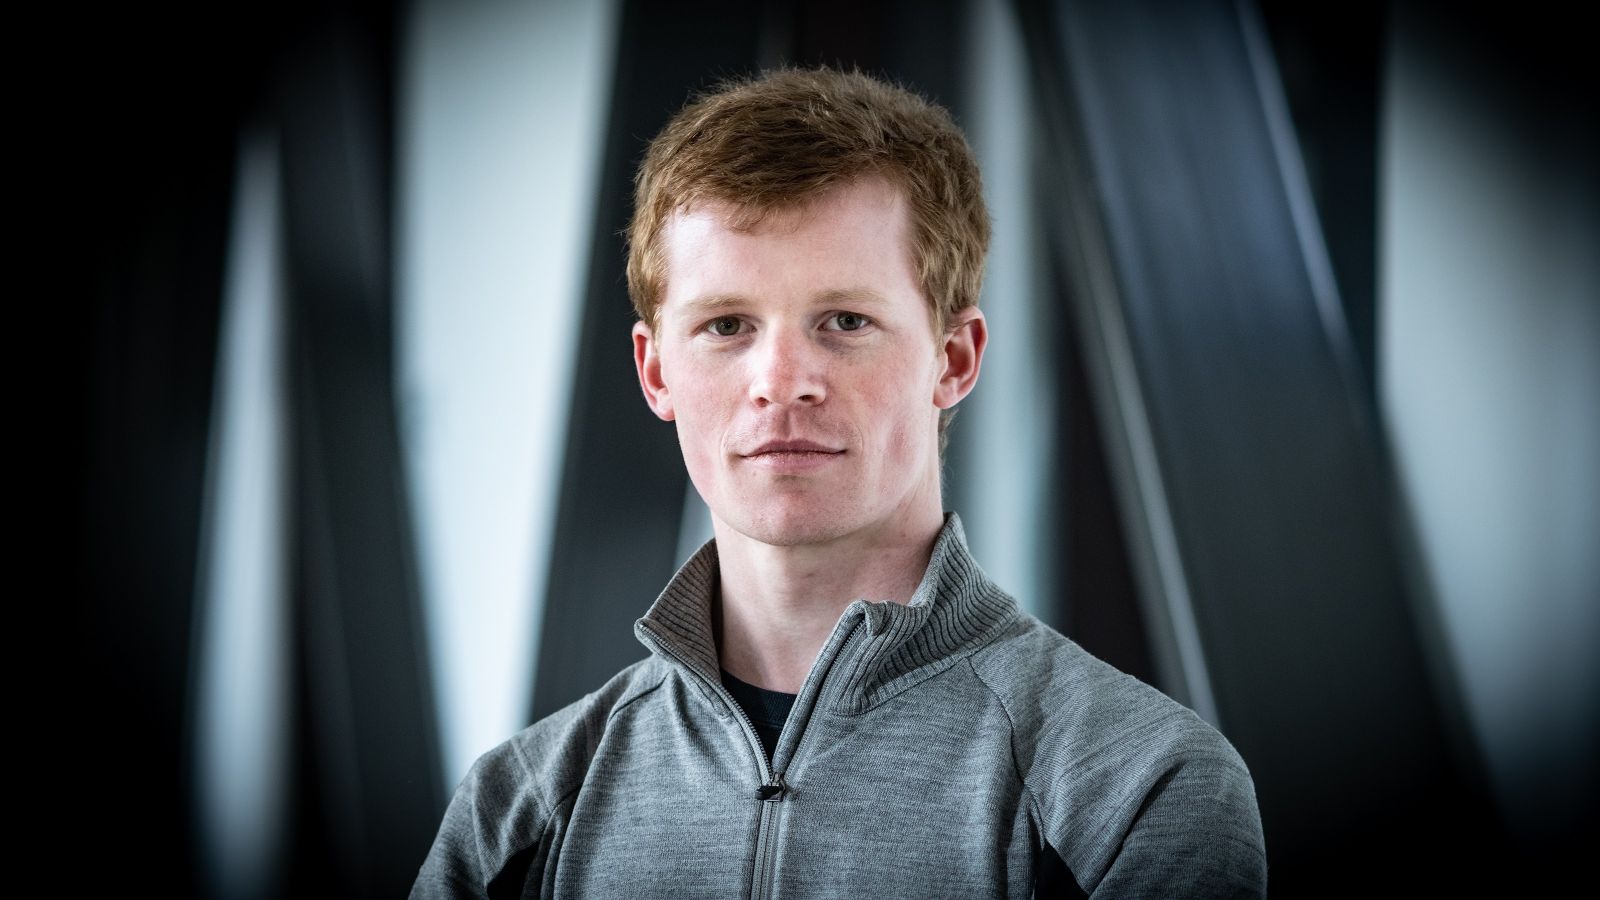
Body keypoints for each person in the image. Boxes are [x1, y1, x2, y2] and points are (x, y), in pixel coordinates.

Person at [411, 67, 1266, 899]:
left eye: (845, 321)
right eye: (726, 325)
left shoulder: (1141, 787)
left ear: (954, 358)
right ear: (656, 370)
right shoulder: (516, 809)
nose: (781, 379)